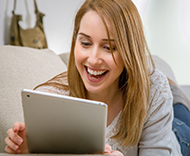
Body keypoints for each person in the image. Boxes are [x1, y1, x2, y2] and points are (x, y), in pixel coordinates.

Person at [4, 0, 183, 155]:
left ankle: (177, 95)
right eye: (86, 43)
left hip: (178, 135)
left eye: (109, 47)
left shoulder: (154, 91)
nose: (93, 59)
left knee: (180, 114)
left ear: (129, 51)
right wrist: (27, 148)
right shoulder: (52, 97)